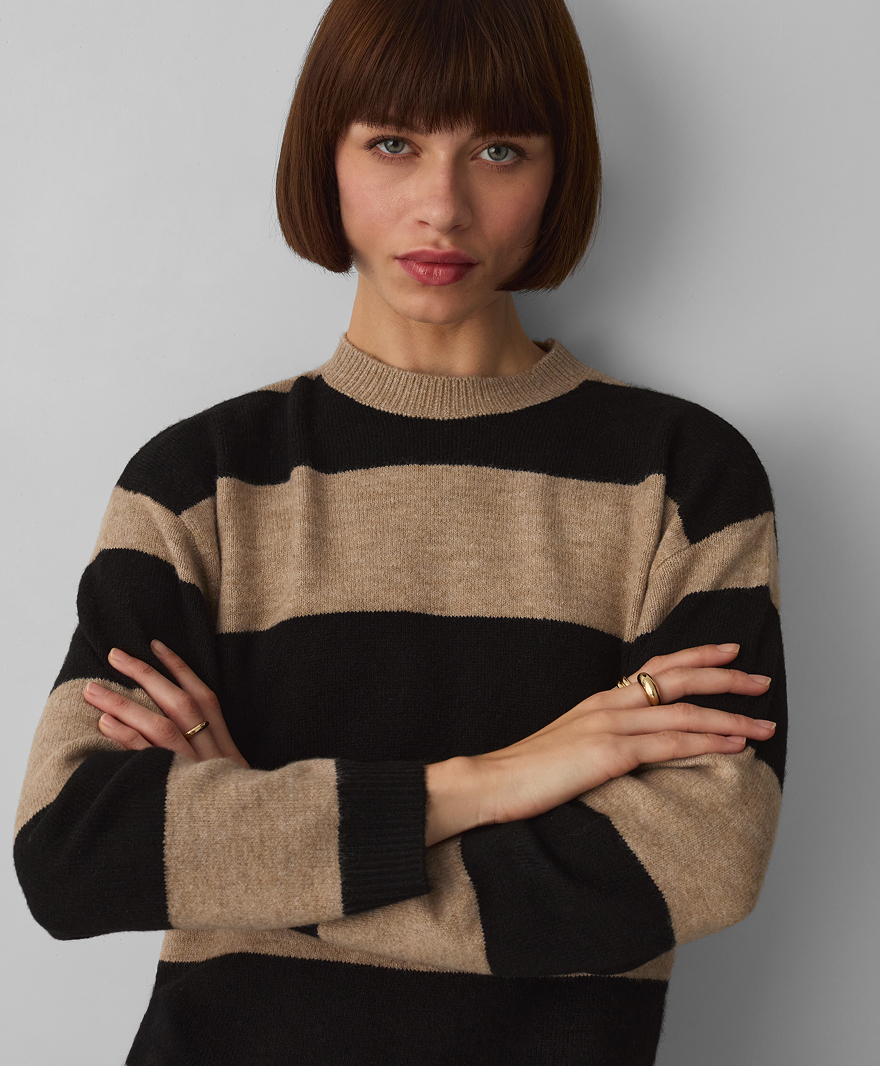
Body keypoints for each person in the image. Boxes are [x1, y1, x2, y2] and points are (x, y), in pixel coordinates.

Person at [13, 0, 786, 1063]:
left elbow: (696, 863)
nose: (442, 205)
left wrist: (266, 855)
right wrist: (489, 780)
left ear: (559, 171)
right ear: (324, 160)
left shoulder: (682, 481)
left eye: (499, 150)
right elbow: (73, 853)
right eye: (392, 143)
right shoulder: (198, 485)